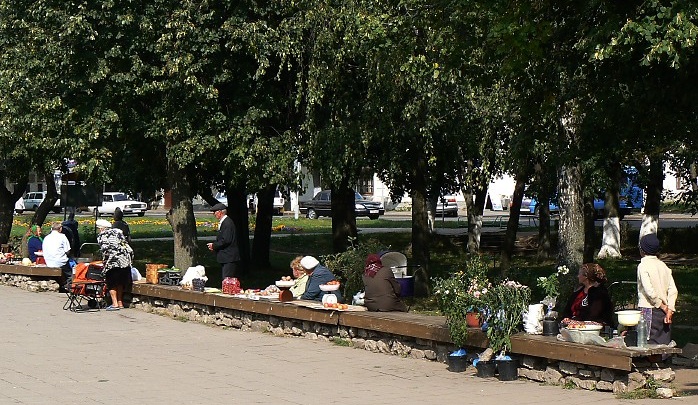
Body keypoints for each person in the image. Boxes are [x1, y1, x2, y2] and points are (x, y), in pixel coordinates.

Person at [637, 233, 678, 345]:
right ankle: (662, 363)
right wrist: (670, 309)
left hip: (649, 309)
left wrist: (663, 306)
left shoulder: (643, 266)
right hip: (663, 312)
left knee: (647, 343)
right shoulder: (663, 266)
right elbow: (673, 290)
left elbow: (649, 291)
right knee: (662, 344)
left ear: (642, 249)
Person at [561, 263, 614, 327]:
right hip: (575, 325)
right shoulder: (578, 291)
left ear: (586, 276)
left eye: (579, 274)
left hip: (594, 327)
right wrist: (566, 318)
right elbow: (568, 310)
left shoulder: (600, 293)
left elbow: (593, 315)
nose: (578, 276)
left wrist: (577, 322)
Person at [96, 219, 133, 311]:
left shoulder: (103, 235)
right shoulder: (118, 233)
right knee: (120, 282)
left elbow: (106, 250)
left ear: (101, 228)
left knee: (111, 283)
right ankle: (120, 302)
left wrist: (105, 263)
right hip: (125, 261)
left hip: (114, 261)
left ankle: (114, 303)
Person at [206, 203, 241, 279]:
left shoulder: (227, 223)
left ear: (220, 212)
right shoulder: (225, 222)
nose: (214, 214)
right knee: (226, 279)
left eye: (215, 212)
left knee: (227, 280)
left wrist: (214, 245)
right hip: (226, 257)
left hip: (229, 257)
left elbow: (226, 240)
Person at [42, 222, 73, 292]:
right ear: (60, 229)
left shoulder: (46, 237)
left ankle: (62, 285)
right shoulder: (62, 236)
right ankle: (70, 287)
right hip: (60, 261)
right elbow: (68, 250)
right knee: (70, 273)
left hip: (49, 262)